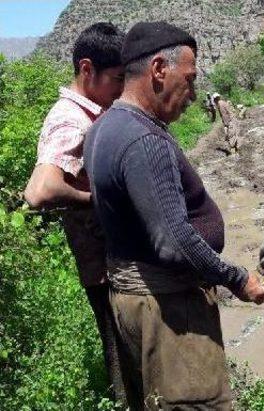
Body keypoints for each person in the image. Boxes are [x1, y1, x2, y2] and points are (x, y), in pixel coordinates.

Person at [84, 21, 264, 410]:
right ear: (158, 70)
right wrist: (237, 279)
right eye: (190, 78)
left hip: (136, 300)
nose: (193, 93)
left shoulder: (103, 128)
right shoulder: (145, 140)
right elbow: (174, 241)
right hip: (168, 309)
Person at [23, 22, 129, 405]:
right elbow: (40, 190)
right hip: (102, 269)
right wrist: (97, 199)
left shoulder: (93, 112)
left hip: (113, 262)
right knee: (123, 361)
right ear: (88, 70)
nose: (121, 89)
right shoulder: (69, 119)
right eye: (117, 79)